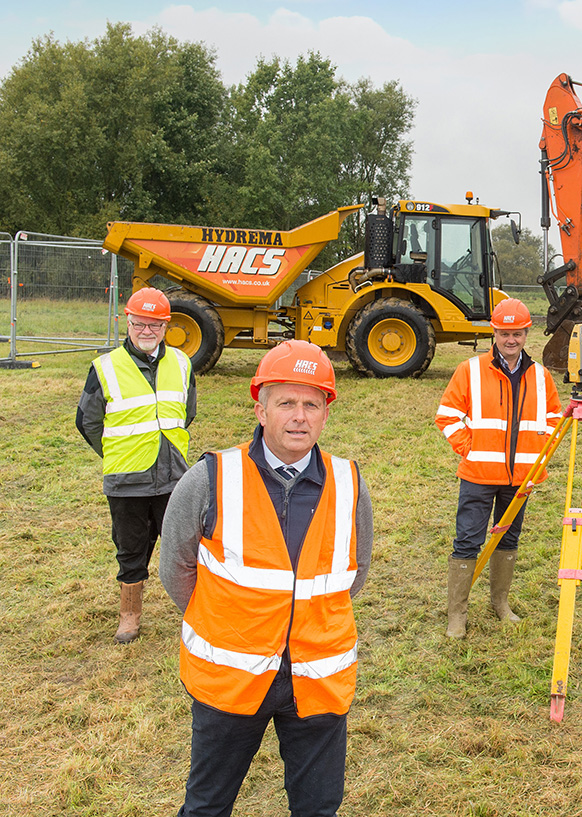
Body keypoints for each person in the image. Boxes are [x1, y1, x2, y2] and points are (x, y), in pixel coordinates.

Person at [159, 340, 373, 816]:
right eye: (287, 403)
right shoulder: (210, 478)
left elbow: (354, 574)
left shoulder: (350, 482)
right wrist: (228, 625)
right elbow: (175, 569)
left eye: (312, 404)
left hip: (317, 680)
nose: (300, 417)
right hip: (230, 682)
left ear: (326, 413)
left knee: (318, 807)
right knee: (207, 805)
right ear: (260, 409)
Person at [436, 297, 562, 639]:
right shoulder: (470, 370)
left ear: (526, 333)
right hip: (478, 476)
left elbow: (554, 421)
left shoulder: (540, 375)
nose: (511, 340)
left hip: (521, 478)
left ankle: (500, 603)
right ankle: (457, 614)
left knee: (508, 539)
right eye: (505, 333)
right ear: (494, 332)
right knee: (467, 541)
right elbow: (446, 415)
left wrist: (539, 456)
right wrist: (470, 448)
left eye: (517, 334)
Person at [76, 287, 196, 644]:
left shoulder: (182, 363)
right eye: (139, 323)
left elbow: (186, 413)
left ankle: (199, 613)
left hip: (174, 476)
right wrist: (118, 452)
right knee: (131, 547)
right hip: (127, 479)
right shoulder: (105, 367)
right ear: (126, 322)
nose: (147, 331)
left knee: (186, 547)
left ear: (166, 326)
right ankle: (130, 616)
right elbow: (88, 422)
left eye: (154, 325)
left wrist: (165, 449)